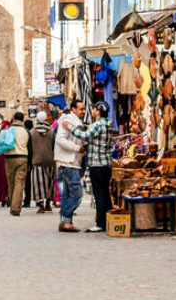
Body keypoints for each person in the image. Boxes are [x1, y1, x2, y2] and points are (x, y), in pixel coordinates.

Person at [64, 101, 114, 233]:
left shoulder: (98, 125)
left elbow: (85, 135)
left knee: (99, 194)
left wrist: (70, 127)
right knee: (105, 193)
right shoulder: (108, 124)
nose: (91, 111)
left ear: (97, 111)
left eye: (93, 109)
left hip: (97, 164)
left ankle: (100, 223)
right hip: (106, 164)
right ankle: (108, 220)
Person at [54, 98, 86, 233]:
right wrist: (77, 148)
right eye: (81, 109)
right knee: (77, 194)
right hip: (68, 162)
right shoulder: (67, 120)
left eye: (84, 109)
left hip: (72, 162)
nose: (84, 111)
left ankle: (66, 222)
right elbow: (60, 140)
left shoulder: (74, 121)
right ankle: (65, 218)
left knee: (67, 194)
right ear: (74, 109)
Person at [3, 111, 30, 217]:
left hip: (9, 157)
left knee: (11, 182)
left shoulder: (8, 130)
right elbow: (30, 147)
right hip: (22, 157)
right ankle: (16, 207)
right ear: (22, 119)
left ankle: (11, 205)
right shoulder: (25, 131)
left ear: (13, 118)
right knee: (19, 182)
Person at [29, 111, 56, 213]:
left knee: (38, 183)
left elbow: (30, 148)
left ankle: (40, 205)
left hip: (37, 160)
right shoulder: (52, 131)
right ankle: (48, 204)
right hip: (50, 159)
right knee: (49, 182)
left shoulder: (32, 132)